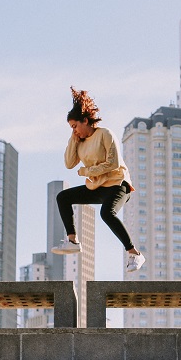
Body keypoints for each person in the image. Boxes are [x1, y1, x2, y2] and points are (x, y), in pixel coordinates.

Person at [51, 86, 145, 273]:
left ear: (85, 120)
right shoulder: (80, 142)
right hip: (97, 187)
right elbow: (69, 163)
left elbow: (113, 163)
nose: (75, 131)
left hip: (118, 185)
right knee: (63, 197)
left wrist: (87, 170)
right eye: (71, 129)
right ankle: (73, 241)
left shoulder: (105, 134)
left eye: (75, 126)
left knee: (107, 213)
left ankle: (135, 253)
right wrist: (73, 138)